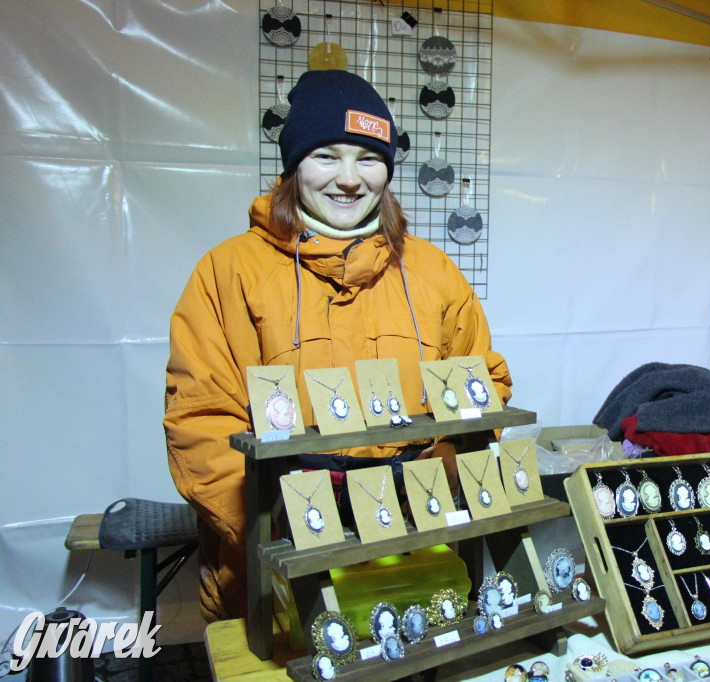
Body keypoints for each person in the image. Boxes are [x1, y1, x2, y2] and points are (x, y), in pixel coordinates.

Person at [164, 69, 511, 621]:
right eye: (327, 155)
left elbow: (482, 385)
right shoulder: (228, 272)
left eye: (368, 159)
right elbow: (200, 420)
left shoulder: (432, 272)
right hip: (275, 582)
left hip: (415, 563)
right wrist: (284, 524)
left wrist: (432, 478)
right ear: (294, 164)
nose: (349, 179)